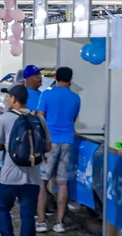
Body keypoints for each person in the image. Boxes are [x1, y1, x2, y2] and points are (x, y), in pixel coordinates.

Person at [0, 85, 50, 236]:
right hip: (33, 176)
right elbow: (48, 146)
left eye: (8, 97)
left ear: (14, 99)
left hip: (9, 175)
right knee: (28, 214)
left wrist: (8, 146)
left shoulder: (5, 118)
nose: (6, 100)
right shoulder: (39, 118)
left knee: (2, 208)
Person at [36, 67, 81, 233]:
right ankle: (60, 222)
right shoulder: (76, 98)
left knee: (42, 181)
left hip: (49, 142)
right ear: (70, 79)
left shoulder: (46, 95)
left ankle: (41, 221)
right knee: (63, 182)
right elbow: (73, 119)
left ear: (55, 77)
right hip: (68, 141)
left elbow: (40, 117)